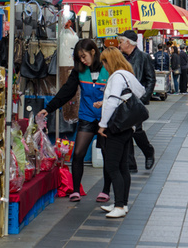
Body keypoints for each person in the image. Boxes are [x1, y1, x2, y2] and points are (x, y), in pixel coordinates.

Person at [37, 39, 109, 202]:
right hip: (87, 117)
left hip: (106, 119)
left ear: (93, 52)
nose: (82, 60)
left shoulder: (108, 68)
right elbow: (67, 91)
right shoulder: (79, 71)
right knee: (78, 153)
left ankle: (106, 190)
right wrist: (49, 108)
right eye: (79, 58)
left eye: (84, 56)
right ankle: (75, 190)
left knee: (107, 155)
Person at [97, 47, 145, 218]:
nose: (103, 65)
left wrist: (102, 125)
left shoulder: (116, 77)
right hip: (127, 126)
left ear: (109, 61)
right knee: (123, 166)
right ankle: (122, 204)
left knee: (112, 166)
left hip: (115, 127)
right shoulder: (128, 74)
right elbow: (141, 92)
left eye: (104, 61)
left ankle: (118, 206)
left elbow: (112, 102)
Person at [117, 30, 155, 172]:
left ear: (128, 43)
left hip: (136, 100)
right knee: (126, 130)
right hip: (121, 99)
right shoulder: (119, 58)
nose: (119, 44)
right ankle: (130, 164)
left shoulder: (144, 57)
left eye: (121, 41)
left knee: (136, 130)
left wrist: (144, 98)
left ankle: (148, 151)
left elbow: (151, 79)